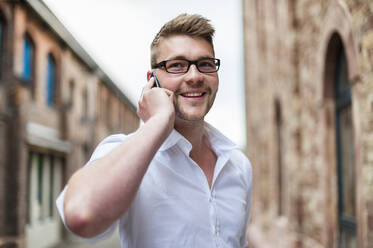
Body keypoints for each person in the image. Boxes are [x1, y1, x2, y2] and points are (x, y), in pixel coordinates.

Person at [56, 13, 252, 248]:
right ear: (152, 80)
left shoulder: (238, 165)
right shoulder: (122, 152)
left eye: (205, 64)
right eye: (177, 65)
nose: (195, 76)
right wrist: (159, 121)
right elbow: (81, 215)